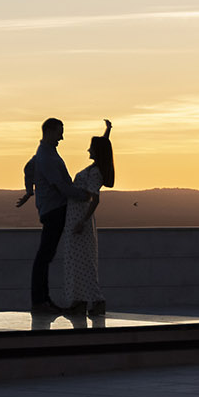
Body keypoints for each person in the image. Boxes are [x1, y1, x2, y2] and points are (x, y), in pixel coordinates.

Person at [15, 117, 91, 313]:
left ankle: (43, 300)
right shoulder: (47, 157)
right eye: (59, 132)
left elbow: (28, 168)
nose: (62, 137)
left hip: (51, 209)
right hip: (54, 210)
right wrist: (84, 195)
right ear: (49, 131)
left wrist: (29, 191)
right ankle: (40, 301)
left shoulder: (44, 153)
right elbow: (60, 186)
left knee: (46, 255)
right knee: (44, 256)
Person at [52, 122, 115, 313]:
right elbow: (105, 145)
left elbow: (95, 199)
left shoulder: (95, 173)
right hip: (76, 219)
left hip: (80, 221)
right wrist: (107, 131)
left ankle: (95, 300)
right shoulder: (94, 169)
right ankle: (79, 300)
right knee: (75, 262)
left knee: (84, 263)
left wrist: (83, 221)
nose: (88, 149)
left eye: (92, 147)